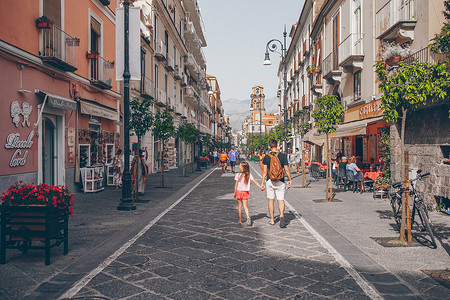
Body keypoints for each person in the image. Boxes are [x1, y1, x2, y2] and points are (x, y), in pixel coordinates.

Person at [261, 139, 292, 228]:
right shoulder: (282, 156)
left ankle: (272, 220)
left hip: (270, 181)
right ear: (277, 145)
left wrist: (262, 182)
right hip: (281, 181)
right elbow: (286, 169)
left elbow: (264, 171)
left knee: (271, 200)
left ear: (270, 146)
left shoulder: (266, 157)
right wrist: (290, 179)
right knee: (280, 199)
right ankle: (281, 215)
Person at [234, 161, 264, 226]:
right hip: (245, 192)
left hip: (239, 191)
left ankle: (240, 220)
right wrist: (260, 187)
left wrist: (235, 192)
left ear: (242, 168)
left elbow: (236, 184)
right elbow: (255, 182)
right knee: (245, 206)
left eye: (240, 166)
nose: (239, 167)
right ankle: (248, 217)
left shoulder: (238, 175)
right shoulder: (249, 175)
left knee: (239, 206)